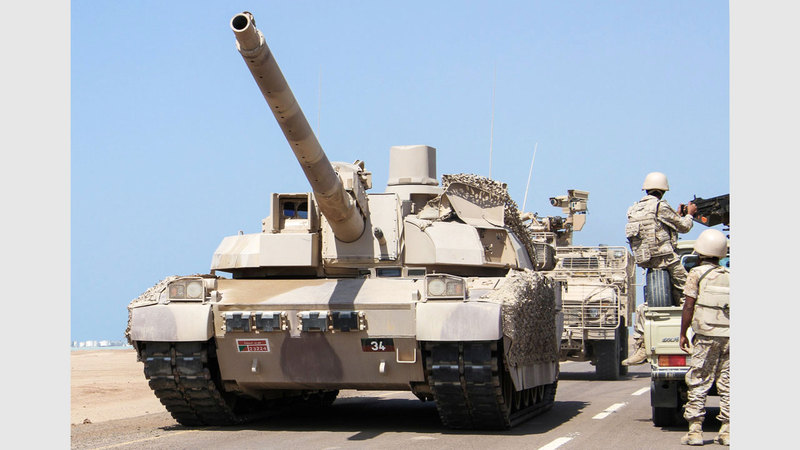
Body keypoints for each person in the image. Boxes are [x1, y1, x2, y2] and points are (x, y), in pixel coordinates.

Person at [622, 172, 697, 366]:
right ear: (663, 191)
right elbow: (684, 227)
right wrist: (690, 214)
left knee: (648, 305)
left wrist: (677, 215)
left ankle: (641, 346)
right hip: (667, 258)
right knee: (690, 292)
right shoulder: (660, 206)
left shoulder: (634, 208)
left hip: (647, 261)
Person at [678, 228, 729, 446]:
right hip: (729, 337)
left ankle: (695, 431)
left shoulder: (696, 273)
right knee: (728, 383)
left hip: (706, 336)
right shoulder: (729, 276)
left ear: (699, 251)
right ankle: (727, 431)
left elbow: (689, 305)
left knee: (699, 380)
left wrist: (683, 333)